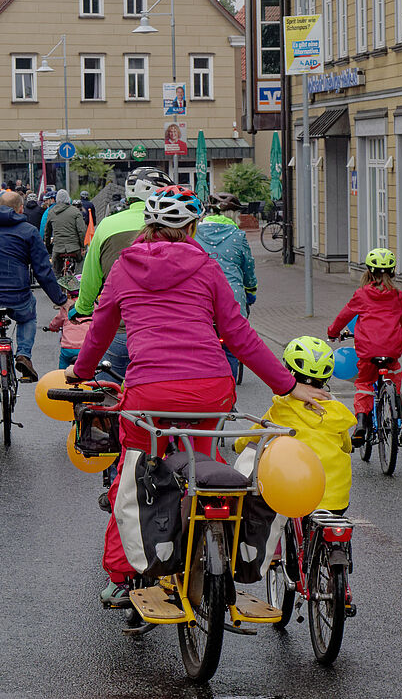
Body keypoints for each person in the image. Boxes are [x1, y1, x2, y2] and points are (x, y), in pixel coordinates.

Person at [67, 186, 329, 607]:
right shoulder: (206, 267)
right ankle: (215, 548)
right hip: (209, 387)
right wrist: (288, 385)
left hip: (150, 392)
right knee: (206, 465)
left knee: (132, 477)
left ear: (147, 227)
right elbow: (238, 334)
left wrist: (79, 373)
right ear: (191, 227)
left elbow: (99, 329)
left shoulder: (123, 268)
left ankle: (122, 574)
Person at [0, 191, 66, 424]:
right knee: (28, 316)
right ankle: (24, 355)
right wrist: (60, 300)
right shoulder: (28, 231)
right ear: (20, 209)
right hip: (18, 297)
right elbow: (42, 270)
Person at [73, 167, 173, 380]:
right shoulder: (172, 226)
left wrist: (82, 308)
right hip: (164, 334)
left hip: (119, 330)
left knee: (102, 398)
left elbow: (91, 277)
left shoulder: (107, 225)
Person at [235, 337, 354, 515]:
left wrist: (238, 445)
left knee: (279, 518)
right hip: (336, 498)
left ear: (288, 371)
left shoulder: (282, 408)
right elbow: (346, 446)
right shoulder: (338, 411)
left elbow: (254, 436)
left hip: (296, 494)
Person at [327, 248, 402, 445]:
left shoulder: (362, 294)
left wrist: (332, 332)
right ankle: (395, 408)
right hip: (391, 350)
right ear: (392, 272)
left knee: (364, 383)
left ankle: (361, 423)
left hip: (368, 351)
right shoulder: (398, 296)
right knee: (394, 372)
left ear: (368, 271)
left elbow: (344, 316)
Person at [195, 192, 258, 376]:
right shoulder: (238, 236)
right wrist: (251, 289)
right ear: (233, 215)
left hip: (201, 299)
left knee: (202, 346)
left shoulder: (195, 233)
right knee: (231, 347)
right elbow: (248, 268)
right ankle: (228, 390)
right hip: (232, 299)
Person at [45, 189, 87, 276]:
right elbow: (81, 230)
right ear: (68, 199)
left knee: (56, 271)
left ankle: (57, 283)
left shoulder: (51, 212)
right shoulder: (75, 211)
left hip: (58, 248)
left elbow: (47, 232)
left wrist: (48, 246)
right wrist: (83, 246)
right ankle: (78, 278)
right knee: (81, 261)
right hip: (74, 248)